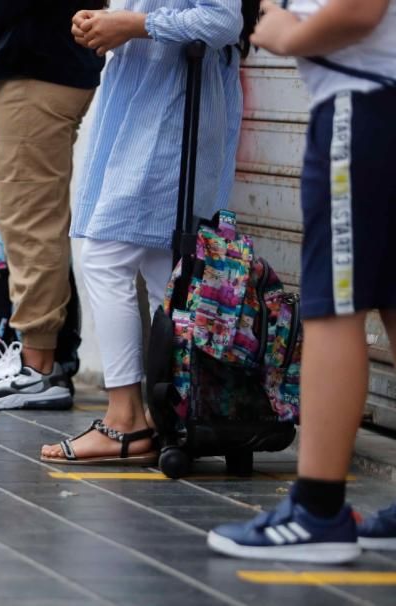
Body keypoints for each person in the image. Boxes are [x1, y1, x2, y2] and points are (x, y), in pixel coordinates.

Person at [209, 0, 396, 563]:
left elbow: (359, 10)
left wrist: (288, 33)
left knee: (334, 307)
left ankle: (317, 512)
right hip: (378, 100)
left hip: (359, 105)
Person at [37, 1, 252, 462]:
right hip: (148, 108)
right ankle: (172, 415)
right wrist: (101, 23)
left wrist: (133, 25)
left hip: (169, 112)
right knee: (164, 266)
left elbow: (221, 19)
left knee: (105, 253)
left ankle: (125, 420)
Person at [0, 0, 104, 407]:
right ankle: (42, 357)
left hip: (37, 68)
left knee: (28, 218)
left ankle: (36, 367)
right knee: (39, 215)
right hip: (58, 60)